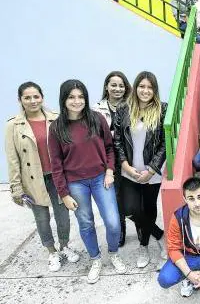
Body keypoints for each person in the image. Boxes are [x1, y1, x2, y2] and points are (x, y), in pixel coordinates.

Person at [48, 79, 126, 284]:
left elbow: (110, 148)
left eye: (80, 96)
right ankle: (95, 259)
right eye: (71, 97)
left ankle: (113, 252)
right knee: (86, 223)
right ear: (63, 99)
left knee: (113, 222)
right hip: (75, 183)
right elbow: (55, 165)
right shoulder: (56, 128)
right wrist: (63, 194)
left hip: (101, 177)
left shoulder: (96, 119)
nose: (77, 101)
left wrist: (110, 171)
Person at [5, 82, 80, 273]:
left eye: (36, 96)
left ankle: (64, 246)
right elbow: (13, 159)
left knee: (63, 216)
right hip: (33, 179)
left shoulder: (56, 119)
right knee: (42, 218)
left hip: (57, 177)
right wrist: (16, 189)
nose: (32, 101)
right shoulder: (13, 125)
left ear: (42, 97)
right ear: (20, 100)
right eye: (27, 97)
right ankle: (51, 251)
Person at [113, 71, 167, 268]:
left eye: (149, 87)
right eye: (142, 86)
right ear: (135, 88)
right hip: (129, 171)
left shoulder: (162, 109)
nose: (145, 91)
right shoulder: (123, 110)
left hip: (151, 173)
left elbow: (163, 144)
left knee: (150, 208)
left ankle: (143, 246)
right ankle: (160, 236)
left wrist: (151, 170)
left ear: (154, 90)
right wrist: (125, 166)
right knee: (130, 209)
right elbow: (117, 141)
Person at [91, 71, 132, 246]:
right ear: (106, 86)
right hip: (107, 160)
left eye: (121, 85)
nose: (117, 88)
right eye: (113, 85)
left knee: (131, 197)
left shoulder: (132, 105)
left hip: (128, 158)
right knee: (115, 197)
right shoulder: (96, 108)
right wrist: (114, 135)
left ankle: (145, 228)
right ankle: (120, 229)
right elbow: (94, 135)